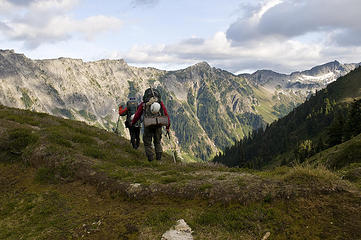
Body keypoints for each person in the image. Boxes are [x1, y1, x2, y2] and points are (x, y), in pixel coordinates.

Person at [131, 88, 170, 161]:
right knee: (157, 142)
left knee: (147, 142)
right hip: (158, 124)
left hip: (148, 124)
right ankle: (159, 159)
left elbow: (137, 115)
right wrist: (167, 127)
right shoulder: (160, 103)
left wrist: (133, 123)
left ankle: (151, 159)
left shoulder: (144, 104)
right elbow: (166, 115)